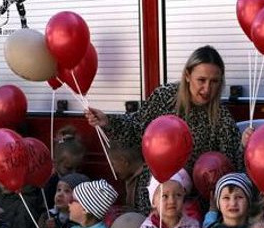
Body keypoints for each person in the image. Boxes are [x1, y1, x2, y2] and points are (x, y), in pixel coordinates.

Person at [86, 46, 242, 172]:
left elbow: (231, 162)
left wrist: (245, 144)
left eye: (214, 81)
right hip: (158, 184)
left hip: (195, 194)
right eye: (201, 80)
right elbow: (137, 127)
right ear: (187, 75)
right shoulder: (165, 96)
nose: (207, 89)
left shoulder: (221, 117)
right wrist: (107, 121)